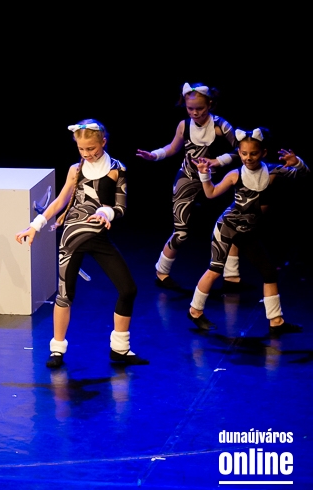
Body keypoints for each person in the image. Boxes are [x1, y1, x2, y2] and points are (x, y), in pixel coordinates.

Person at [15, 120, 148, 368]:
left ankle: (120, 348)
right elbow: (59, 202)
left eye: (91, 148)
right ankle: (57, 350)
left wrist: (105, 213)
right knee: (65, 294)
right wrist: (35, 226)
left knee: (128, 289)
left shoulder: (117, 169)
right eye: (81, 149)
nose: (86, 153)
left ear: (103, 142)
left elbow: (120, 207)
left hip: (99, 237)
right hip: (72, 238)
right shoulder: (75, 170)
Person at [187, 128, 306, 336]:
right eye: (243, 153)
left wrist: (298, 163)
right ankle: (195, 311)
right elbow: (211, 193)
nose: (248, 158)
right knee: (215, 270)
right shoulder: (235, 175)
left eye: (253, 153)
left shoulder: (273, 172)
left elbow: (303, 175)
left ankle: (276, 321)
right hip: (227, 227)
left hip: (247, 232)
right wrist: (204, 174)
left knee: (269, 273)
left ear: (263, 153)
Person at [136, 82, 241, 292]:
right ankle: (161, 272)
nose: (194, 112)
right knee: (181, 232)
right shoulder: (184, 125)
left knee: (230, 226)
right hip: (187, 178)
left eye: (199, 108)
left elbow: (241, 150)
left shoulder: (221, 125)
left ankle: (232, 276)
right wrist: (154, 155)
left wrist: (218, 161)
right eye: (190, 108)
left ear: (210, 104)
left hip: (214, 180)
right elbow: (172, 148)